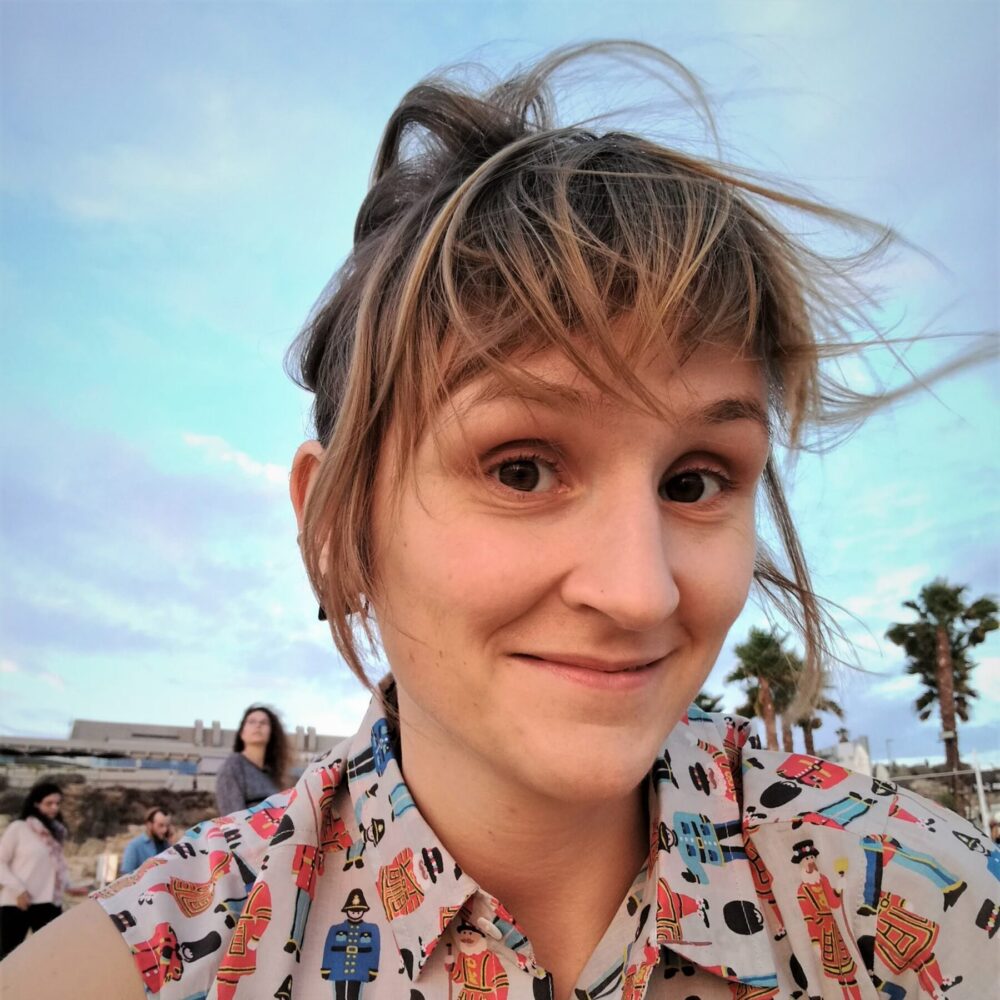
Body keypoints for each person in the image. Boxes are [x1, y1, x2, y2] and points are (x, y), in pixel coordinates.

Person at [2, 41, 995, 1000]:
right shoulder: (143, 966)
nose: (638, 592)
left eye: (695, 483)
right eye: (522, 469)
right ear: (334, 529)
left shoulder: (929, 907)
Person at [0, 782, 69, 959]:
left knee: (50, 957)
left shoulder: (57, 832)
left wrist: (71, 885)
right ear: (36, 804)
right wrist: (18, 889)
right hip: (18, 902)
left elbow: (55, 868)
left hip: (48, 902)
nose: (54, 808)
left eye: (57, 803)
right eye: (49, 803)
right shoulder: (19, 828)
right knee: (8, 957)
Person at [213, 704, 289, 815]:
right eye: (252, 722)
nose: (258, 725)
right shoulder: (233, 765)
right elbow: (232, 816)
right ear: (242, 733)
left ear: (271, 733)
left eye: (264, 722)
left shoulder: (274, 775)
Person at [118, 807, 172, 877]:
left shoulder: (166, 846)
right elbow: (126, 876)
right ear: (149, 825)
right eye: (160, 825)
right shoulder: (134, 846)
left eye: (167, 826)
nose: (165, 830)